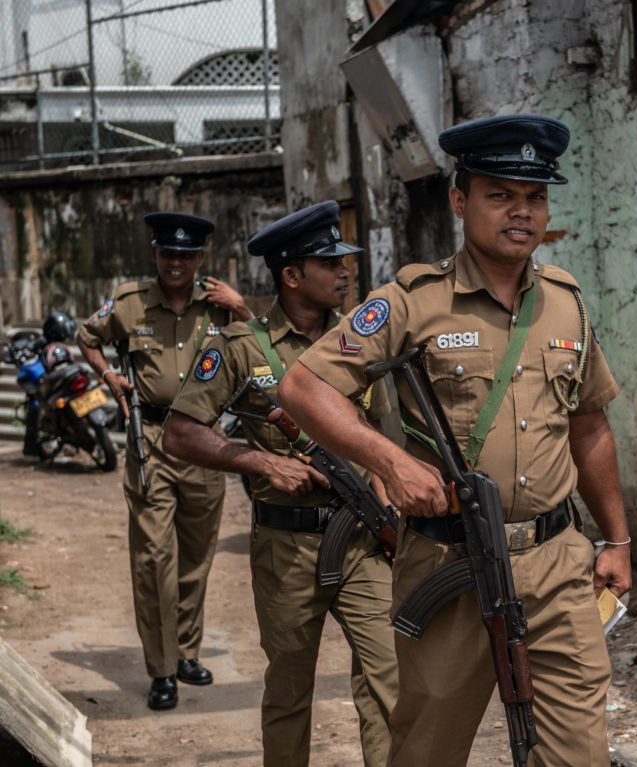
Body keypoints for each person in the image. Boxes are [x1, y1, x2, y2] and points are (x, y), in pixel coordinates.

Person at [277, 114, 631, 766]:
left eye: (535, 197)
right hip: (449, 563)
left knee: (581, 753)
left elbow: (589, 425)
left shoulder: (565, 301)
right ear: (461, 201)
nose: (522, 212)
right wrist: (388, 461)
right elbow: (302, 387)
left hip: (556, 561)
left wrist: (617, 539)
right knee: (428, 748)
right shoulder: (414, 301)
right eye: (501, 195)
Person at [162, 201, 398, 767]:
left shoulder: (357, 342)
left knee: (389, 678)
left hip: (363, 537)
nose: (345, 272)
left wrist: (393, 521)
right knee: (290, 688)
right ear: (292, 275)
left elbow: (383, 440)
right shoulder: (241, 346)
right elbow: (180, 434)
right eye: (330, 263)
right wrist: (262, 463)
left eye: (345, 262)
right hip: (286, 547)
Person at [76, 211, 252, 710]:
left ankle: (187, 653)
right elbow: (88, 337)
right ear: (156, 254)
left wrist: (240, 308)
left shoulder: (219, 305)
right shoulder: (131, 303)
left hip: (204, 441)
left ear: (201, 258)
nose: (177, 262)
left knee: (197, 557)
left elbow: (261, 347)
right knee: (155, 558)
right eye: (168, 253)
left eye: (187, 255)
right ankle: (161, 669)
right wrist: (109, 377)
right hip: (150, 439)